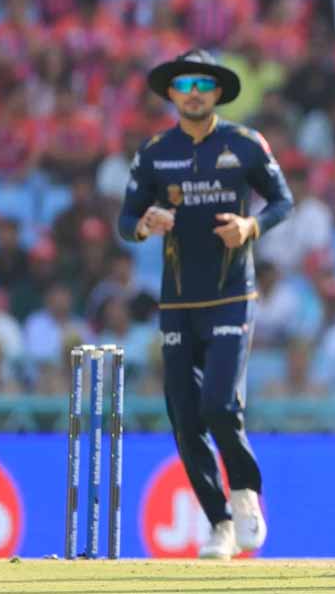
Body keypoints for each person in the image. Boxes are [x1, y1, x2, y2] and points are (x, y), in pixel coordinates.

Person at [118, 49, 293, 559]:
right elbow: (125, 220)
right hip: (177, 302)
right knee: (184, 415)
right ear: (172, 93)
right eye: (184, 85)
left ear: (216, 92)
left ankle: (245, 492)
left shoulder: (245, 144)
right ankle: (219, 522)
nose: (193, 93)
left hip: (232, 294)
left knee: (218, 404)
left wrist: (251, 226)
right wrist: (145, 224)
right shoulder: (155, 152)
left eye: (202, 84)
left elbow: (283, 201)